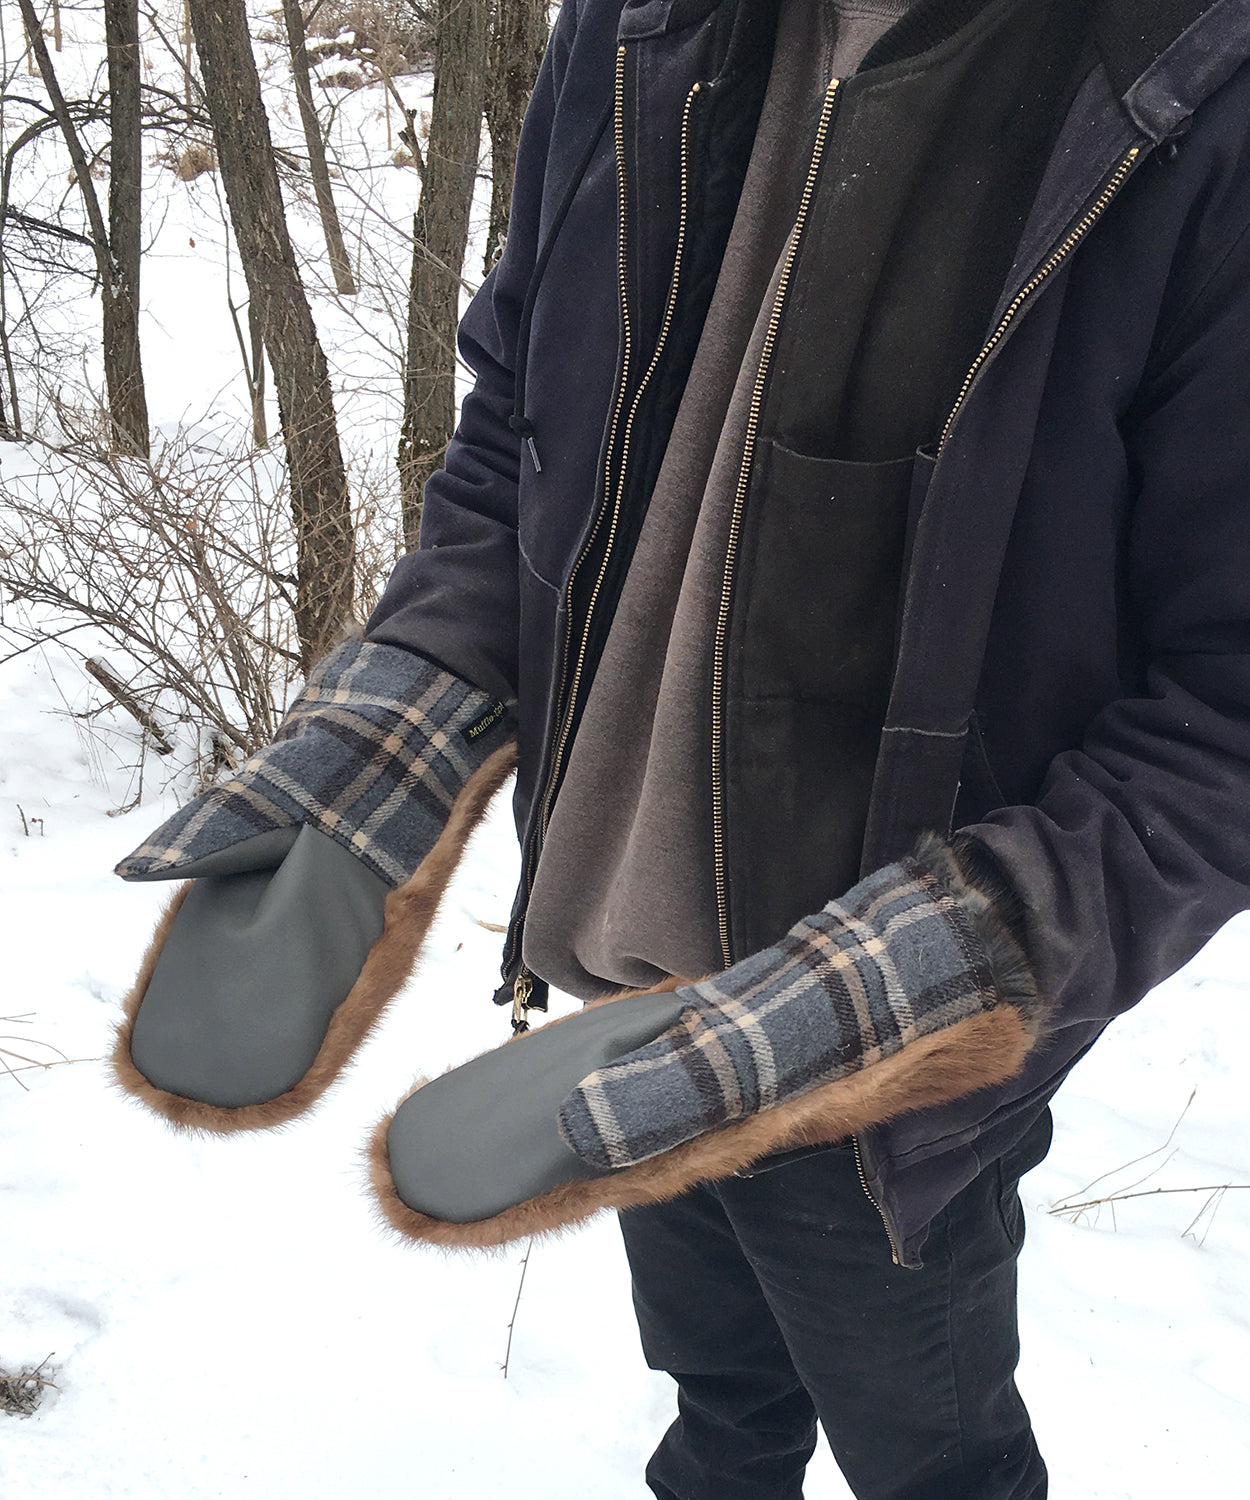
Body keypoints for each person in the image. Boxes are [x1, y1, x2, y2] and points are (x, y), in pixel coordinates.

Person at [114, 1, 1250, 1496]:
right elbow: (520, 424)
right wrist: (398, 721)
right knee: (718, 1407)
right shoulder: (647, 25)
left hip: (879, 1072)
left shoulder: (1185, 95)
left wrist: (870, 995)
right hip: (622, 1015)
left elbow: (1221, 722)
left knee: (937, 1460)